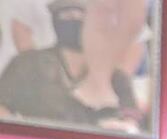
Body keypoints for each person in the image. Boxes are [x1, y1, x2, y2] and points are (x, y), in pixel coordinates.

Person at [0, 0, 141, 132]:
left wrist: (119, 128)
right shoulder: (28, 64)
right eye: (66, 15)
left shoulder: (115, 77)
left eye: (81, 15)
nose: (74, 20)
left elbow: (131, 124)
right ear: (55, 21)